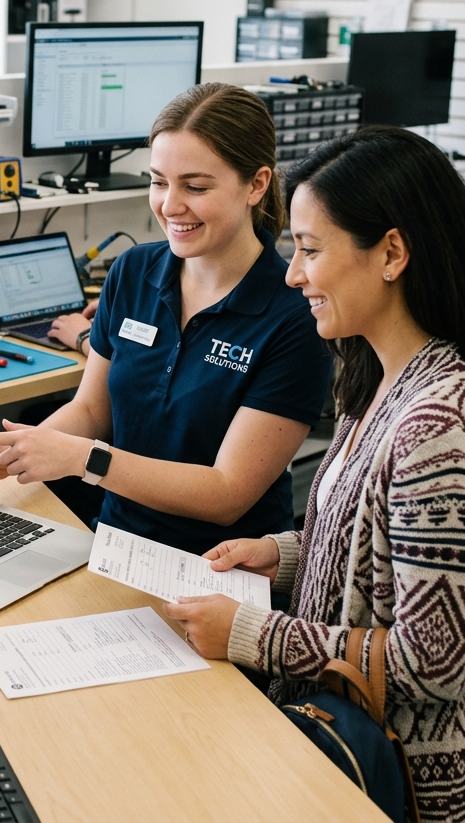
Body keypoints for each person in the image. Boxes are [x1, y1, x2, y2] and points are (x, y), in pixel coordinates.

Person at [162, 127, 465, 821]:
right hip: (331, 733)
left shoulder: (436, 427)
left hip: (389, 778)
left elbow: (435, 659)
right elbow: (383, 557)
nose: (294, 274)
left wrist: (249, 634)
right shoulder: (374, 383)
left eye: (311, 249)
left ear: (391, 253)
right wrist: (282, 555)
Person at [0, 82, 332, 554]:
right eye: (159, 181)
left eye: (196, 187)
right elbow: (93, 411)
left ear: (256, 184)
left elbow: (226, 493)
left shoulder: (294, 314)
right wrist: (19, 452)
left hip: (223, 565)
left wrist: (84, 459)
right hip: (118, 543)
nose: (170, 206)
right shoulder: (132, 271)